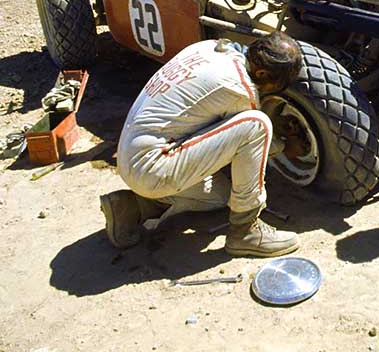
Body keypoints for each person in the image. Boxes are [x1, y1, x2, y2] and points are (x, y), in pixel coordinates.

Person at [100, 32, 305, 257]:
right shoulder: (239, 89)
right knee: (257, 125)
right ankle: (245, 232)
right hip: (154, 163)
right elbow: (249, 138)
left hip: (132, 152)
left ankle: (133, 207)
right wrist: (285, 147)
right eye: (274, 85)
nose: (270, 91)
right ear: (262, 72)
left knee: (219, 196)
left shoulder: (210, 47)